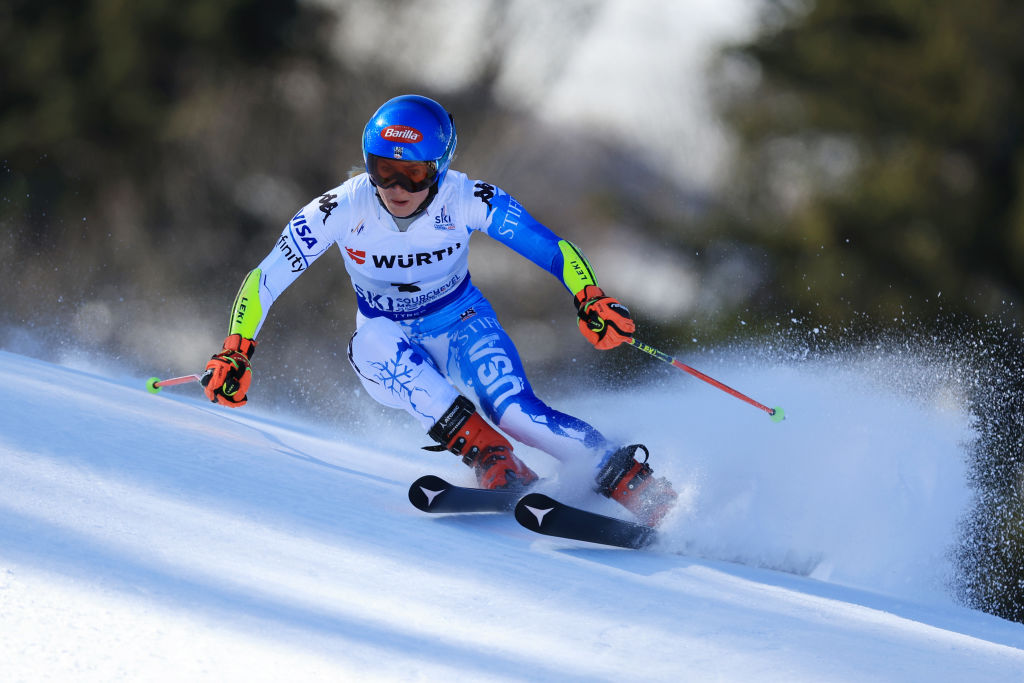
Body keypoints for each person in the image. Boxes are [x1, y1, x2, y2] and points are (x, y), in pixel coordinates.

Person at [201, 94, 677, 526]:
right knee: (372, 341)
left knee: (516, 413)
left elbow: (550, 247)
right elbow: (265, 278)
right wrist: (236, 351)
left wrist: (588, 295)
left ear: (441, 167)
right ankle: (494, 459)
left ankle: (636, 485)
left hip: (462, 322)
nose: (396, 186)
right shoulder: (341, 207)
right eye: (383, 168)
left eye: (414, 172)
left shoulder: (468, 198)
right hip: (388, 342)